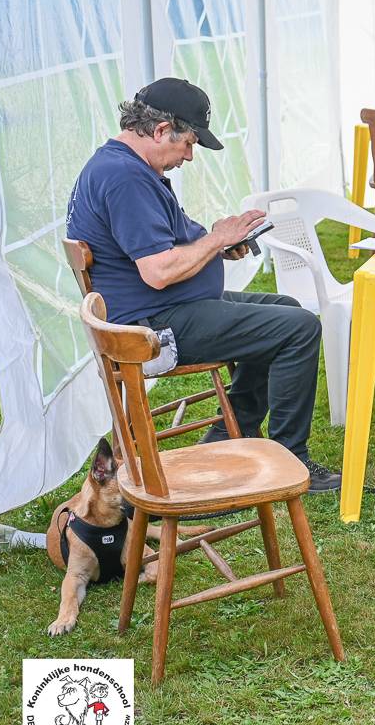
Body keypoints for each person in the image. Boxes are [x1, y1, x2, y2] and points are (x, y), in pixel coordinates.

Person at [64, 79, 341, 491]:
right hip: (151, 327)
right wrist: (215, 240)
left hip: (163, 306)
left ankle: (232, 436)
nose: (190, 156)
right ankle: (292, 460)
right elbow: (157, 271)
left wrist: (219, 245)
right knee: (299, 330)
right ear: (161, 130)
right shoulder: (125, 179)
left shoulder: (128, 167)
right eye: (189, 143)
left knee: (286, 308)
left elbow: (170, 245)